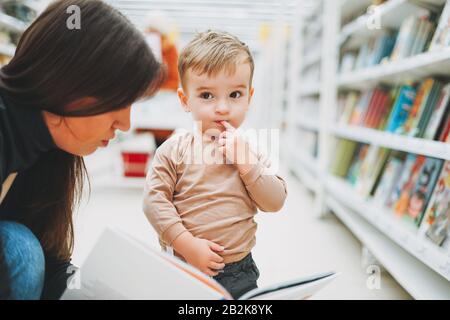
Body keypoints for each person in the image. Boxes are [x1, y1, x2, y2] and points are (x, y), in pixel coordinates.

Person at [0, 0, 165, 300]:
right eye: (119, 100)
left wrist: (89, 290)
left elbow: (51, 264)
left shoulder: (49, 147)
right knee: (19, 248)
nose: (125, 123)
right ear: (71, 83)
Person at [143, 30, 287, 299]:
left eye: (234, 94)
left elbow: (275, 201)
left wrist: (247, 164)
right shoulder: (174, 150)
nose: (222, 108)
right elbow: (154, 201)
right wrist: (186, 244)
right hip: (185, 264)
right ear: (185, 100)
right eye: (207, 96)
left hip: (240, 271)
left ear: (249, 97)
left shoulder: (252, 150)